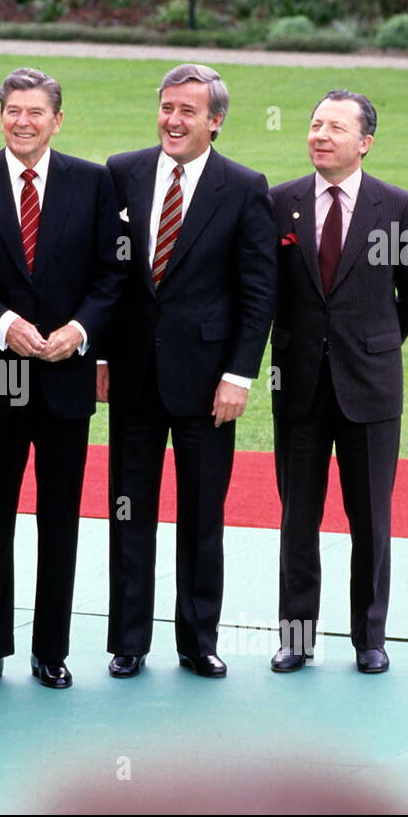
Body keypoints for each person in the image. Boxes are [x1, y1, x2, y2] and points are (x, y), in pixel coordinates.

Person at [0, 68, 127, 691]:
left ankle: (51, 651)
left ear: (57, 120)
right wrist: (4, 324)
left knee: (60, 518)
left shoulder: (94, 183)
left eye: (35, 112)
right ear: (0, 114)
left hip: (65, 378)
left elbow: (112, 275)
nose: (22, 121)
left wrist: (80, 331)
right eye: (13, 110)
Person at [100, 64, 276, 680]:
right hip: (133, 377)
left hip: (208, 384)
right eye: (167, 107)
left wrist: (240, 376)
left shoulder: (245, 187)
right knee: (129, 511)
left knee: (202, 516)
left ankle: (198, 641)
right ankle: (128, 640)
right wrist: (99, 357)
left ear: (215, 121)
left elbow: (259, 294)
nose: (174, 120)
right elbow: (107, 279)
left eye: (188, 111)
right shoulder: (121, 173)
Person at [268, 90, 408, 675]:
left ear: (364, 142)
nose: (320, 135)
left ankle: (370, 638)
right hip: (299, 388)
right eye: (315, 124)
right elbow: (264, 293)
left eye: (336, 128)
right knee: (297, 519)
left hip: (370, 387)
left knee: (371, 520)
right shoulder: (278, 202)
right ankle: (296, 638)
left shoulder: (398, 206)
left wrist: (372, 344)